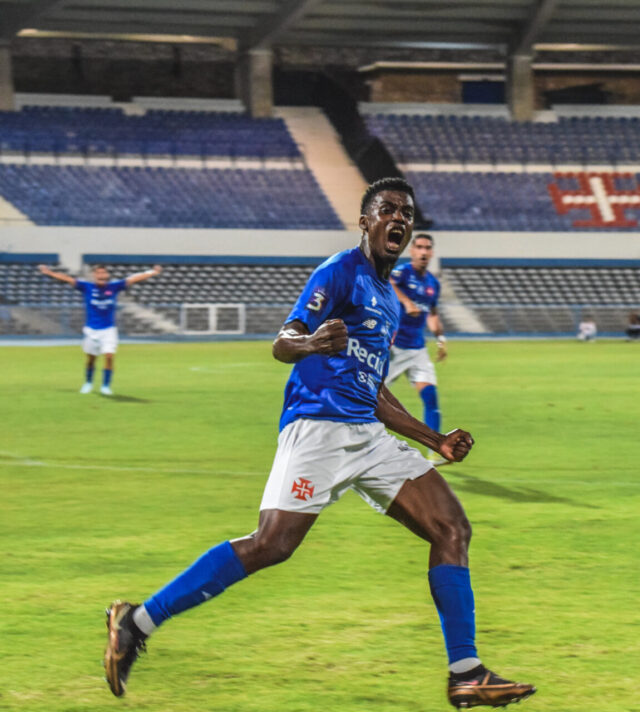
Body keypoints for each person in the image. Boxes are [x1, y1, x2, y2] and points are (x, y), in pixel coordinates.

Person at [102, 178, 535, 710]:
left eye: (406, 212)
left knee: (452, 527)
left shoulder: (387, 302)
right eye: (387, 210)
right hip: (318, 428)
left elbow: (372, 387)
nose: (398, 218)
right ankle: (136, 623)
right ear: (366, 221)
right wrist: (308, 342)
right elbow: (284, 341)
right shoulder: (339, 272)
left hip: (367, 434)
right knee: (271, 545)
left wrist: (435, 440)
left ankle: (466, 673)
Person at [37, 263, 162, 395]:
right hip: (91, 330)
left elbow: (134, 279)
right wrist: (49, 273)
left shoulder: (114, 287)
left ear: (107, 275)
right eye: (98, 273)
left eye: (103, 273)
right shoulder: (87, 287)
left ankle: (105, 386)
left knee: (109, 356)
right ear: (94, 275)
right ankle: (88, 382)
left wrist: (152, 272)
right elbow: (67, 279)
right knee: (91, 359)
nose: (101, 275)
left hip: (108, 330)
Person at [386, 233, 447, 460]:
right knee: (368, 397)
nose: (423, 252)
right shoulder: (402, 273)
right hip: (392, 348)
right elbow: (387, 283)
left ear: (431, 253)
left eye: (427, 248)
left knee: (431, 397)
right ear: (412, 251)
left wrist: (441, 339)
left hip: (417, 349)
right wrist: (406, 301)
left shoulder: (433, 284)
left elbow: (432, 313)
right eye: (419, 247)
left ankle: (435, 453)